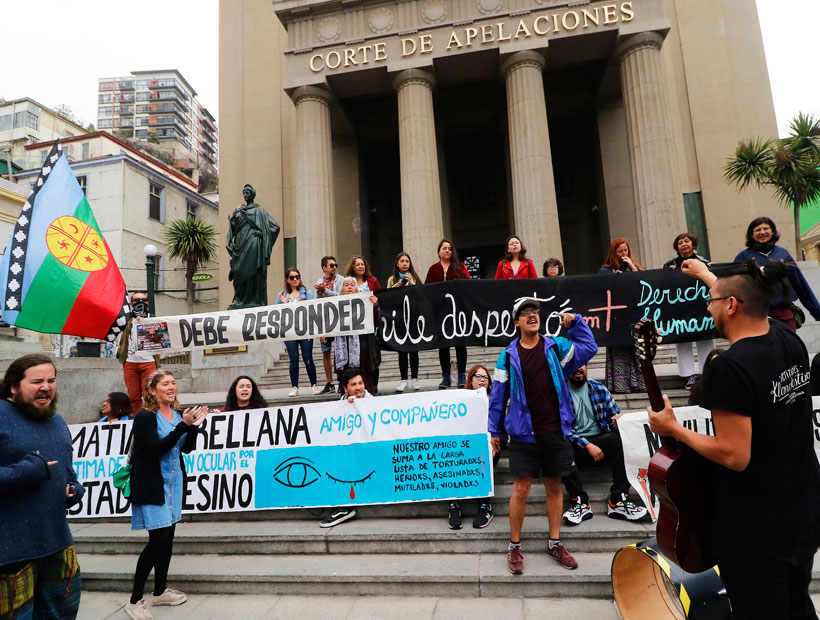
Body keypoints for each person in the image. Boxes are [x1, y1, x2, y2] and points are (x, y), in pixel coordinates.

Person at [649, 258, 820, 620]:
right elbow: (750, 301)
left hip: (757, 528)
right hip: (802, 511)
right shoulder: (787, 338)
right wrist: (710, 277)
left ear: (730, 305)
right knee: (797, 606)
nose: (707, 306)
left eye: (712, 299)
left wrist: (673, 428)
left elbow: (734, 454)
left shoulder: (730, 367)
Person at [489, 298, 598, 574]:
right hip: (524, 434)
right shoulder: (507, 355)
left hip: (554, 431)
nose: (531, 315)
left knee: (554, 487)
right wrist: (495, 430)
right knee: (521, 490)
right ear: (517, 322)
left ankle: (555, 543)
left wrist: (577, 325)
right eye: (525, 313)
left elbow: (589, 348)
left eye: (534, 311)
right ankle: (514, 547)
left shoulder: (554, 346)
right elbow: (498, 396)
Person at [0, 354, 85, 620]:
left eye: (51, 380)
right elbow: (32, 470)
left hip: (57, 547)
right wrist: (27, 471)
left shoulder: (57, 422)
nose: (46, 387)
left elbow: (67, 473)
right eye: (36, 381)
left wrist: (74, 489)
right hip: (11, 555)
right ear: (14, 386)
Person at [126, 371, 208, 620]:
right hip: (152, 484)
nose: (171, 386)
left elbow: (187, 448)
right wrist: (183, 425)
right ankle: (135, 600)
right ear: (152, 390)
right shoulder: (144, 417)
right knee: (157, 541)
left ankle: (160, 591)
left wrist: (192, 427)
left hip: (173, 484)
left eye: (173, 382)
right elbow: (154, 449)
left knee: (167, 539)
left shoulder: (175, 414)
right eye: (165, 383)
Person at [561, 364, 647, 525]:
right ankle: (579, 500)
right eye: (574, 365)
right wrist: (587, 445)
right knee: (559, 444)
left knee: (624, 438)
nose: (578, 369)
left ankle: (618, 500)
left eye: (582, 365)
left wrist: (616, 423)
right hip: (574, 447)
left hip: (600, 442)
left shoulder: (598, 388)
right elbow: (561, 428)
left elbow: (612, 417)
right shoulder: (558, 392)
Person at [733, 217, 820, 331]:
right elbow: (735, 287)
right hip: (757, 314)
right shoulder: (743, 257)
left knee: (790, 346)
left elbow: (800, 283)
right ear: (751, 235)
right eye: (758, 230)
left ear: (772, 232)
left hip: (784, 313)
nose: (762, 232)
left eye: (766, 228)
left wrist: (816, 311)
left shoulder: (783, 254)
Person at [319, 367, 372, 528]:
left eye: (360, 383)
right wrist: (346, 406)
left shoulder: (374, 403)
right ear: (345, 388)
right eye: (353, 384)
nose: (358, 388)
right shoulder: (339, 406)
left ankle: (344, 507)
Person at [664, 233, 715, 388]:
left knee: (705, 339)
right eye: (680, 242)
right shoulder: (670, 265)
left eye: (687, 241)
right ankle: (687, 376)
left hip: (702, 310)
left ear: (693, 245)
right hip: (681, 311)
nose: (684, 244)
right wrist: (668, 272)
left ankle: (707, 373)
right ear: (676, 247)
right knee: (683, 341)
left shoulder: (705, 263)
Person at [448, 364, 496, 530]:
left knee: (485, 454)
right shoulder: (462, 400)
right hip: (467, 446)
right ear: (471, 379)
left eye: (485, 377)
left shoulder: (495, 401)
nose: (482, 380)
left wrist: (496, 443)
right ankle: (454, 504)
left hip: (489, 446)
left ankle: (485, 505)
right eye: (478, 376)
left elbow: (501, 429)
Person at [600, 238, 646, 394]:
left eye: (625, 251)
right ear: (614, 253)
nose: (623, 254)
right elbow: (601, 289)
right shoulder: (606, 270)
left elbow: (644, 282)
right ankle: (621, 385)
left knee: (636, 349)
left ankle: (638, 383)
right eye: (620, 251)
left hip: (633, 315)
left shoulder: (634, 268)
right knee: (619, 351)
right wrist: (615, 279)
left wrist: (631, 266)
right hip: (616, 318)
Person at [425, 239, 471, 388]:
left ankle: (462, 375)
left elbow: (468, 285)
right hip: (440, 313)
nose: (447, 250)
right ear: (439, 251)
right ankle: (446, 376)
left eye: (449, 248)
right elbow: (427, 289)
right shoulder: (433, 269)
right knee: (443, 345)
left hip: (458, 312)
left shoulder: (460, 267)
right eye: (444, 248)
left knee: (460, 343)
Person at [226, 183, 281, 309]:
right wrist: (229, 243)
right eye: (244, 193)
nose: (245, 195)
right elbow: (231, 228)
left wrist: (263, 234)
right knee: (238, 272)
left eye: (247, 192)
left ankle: (253, 300)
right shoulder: (239, 210)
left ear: (252, 194)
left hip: (253, 244)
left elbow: (275, 227)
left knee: (252, 273)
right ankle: (239, 299)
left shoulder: (260, 211)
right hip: (240, 246)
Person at [327, 278, 381, 395]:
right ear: (341, 290)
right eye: (346, 285)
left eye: (352, 285)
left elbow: (376, 322)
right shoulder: (335, 306)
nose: (350, 287)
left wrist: (375, 306)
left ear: (357, 289)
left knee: (365, 385)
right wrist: (325, 336)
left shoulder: (365, 303)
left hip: (363, 353)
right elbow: (331, 328)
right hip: (344, 356)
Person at [276, 268, 321, 397]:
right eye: (292, 277)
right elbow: (276, 313)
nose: (295, 279)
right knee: (293, 358)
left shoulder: (306, 292)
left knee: (308, 357)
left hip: (305, 329)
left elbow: (312, 308)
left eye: (297, 277)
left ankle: (314, 384)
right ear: (287, 280)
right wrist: (284, 304)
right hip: (290, 331)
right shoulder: (282, 295)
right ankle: (294, 386)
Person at [117, 291, 158, 415]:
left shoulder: (154, 318)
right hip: (130, 362)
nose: (140, 303)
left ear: (147, 302)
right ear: (131, 303)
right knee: (134, 396)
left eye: (143, 300)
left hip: (149, 362)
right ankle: (136, 419)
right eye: (136, 301)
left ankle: (151, 417)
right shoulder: (126, 320)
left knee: (149, 394)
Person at [386, 252, 421, 392]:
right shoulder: (391, 279)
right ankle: (403, 379)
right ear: (397, 264)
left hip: (412, 316)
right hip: (399, 317)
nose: (405, 263)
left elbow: (420, 294)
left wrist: (411, 283)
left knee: (413, 349)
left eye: (407, 261)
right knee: (401, 350)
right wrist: (393, 289)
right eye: (402, 261)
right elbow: (387, 297)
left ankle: (415, 378)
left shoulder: (415, 278)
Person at [314, 255, 344, 394]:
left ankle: (341, 380)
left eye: (335, 265)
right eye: (331, 265)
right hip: (325, 320)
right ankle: (329, 382)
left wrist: (325, 290)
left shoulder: (341, 279)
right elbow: (317, 303)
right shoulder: (319, 281)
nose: (334, 267)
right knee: (326, 352)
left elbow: (340, 295)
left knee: (339, 350)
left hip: (338, 318)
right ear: (324, 268)